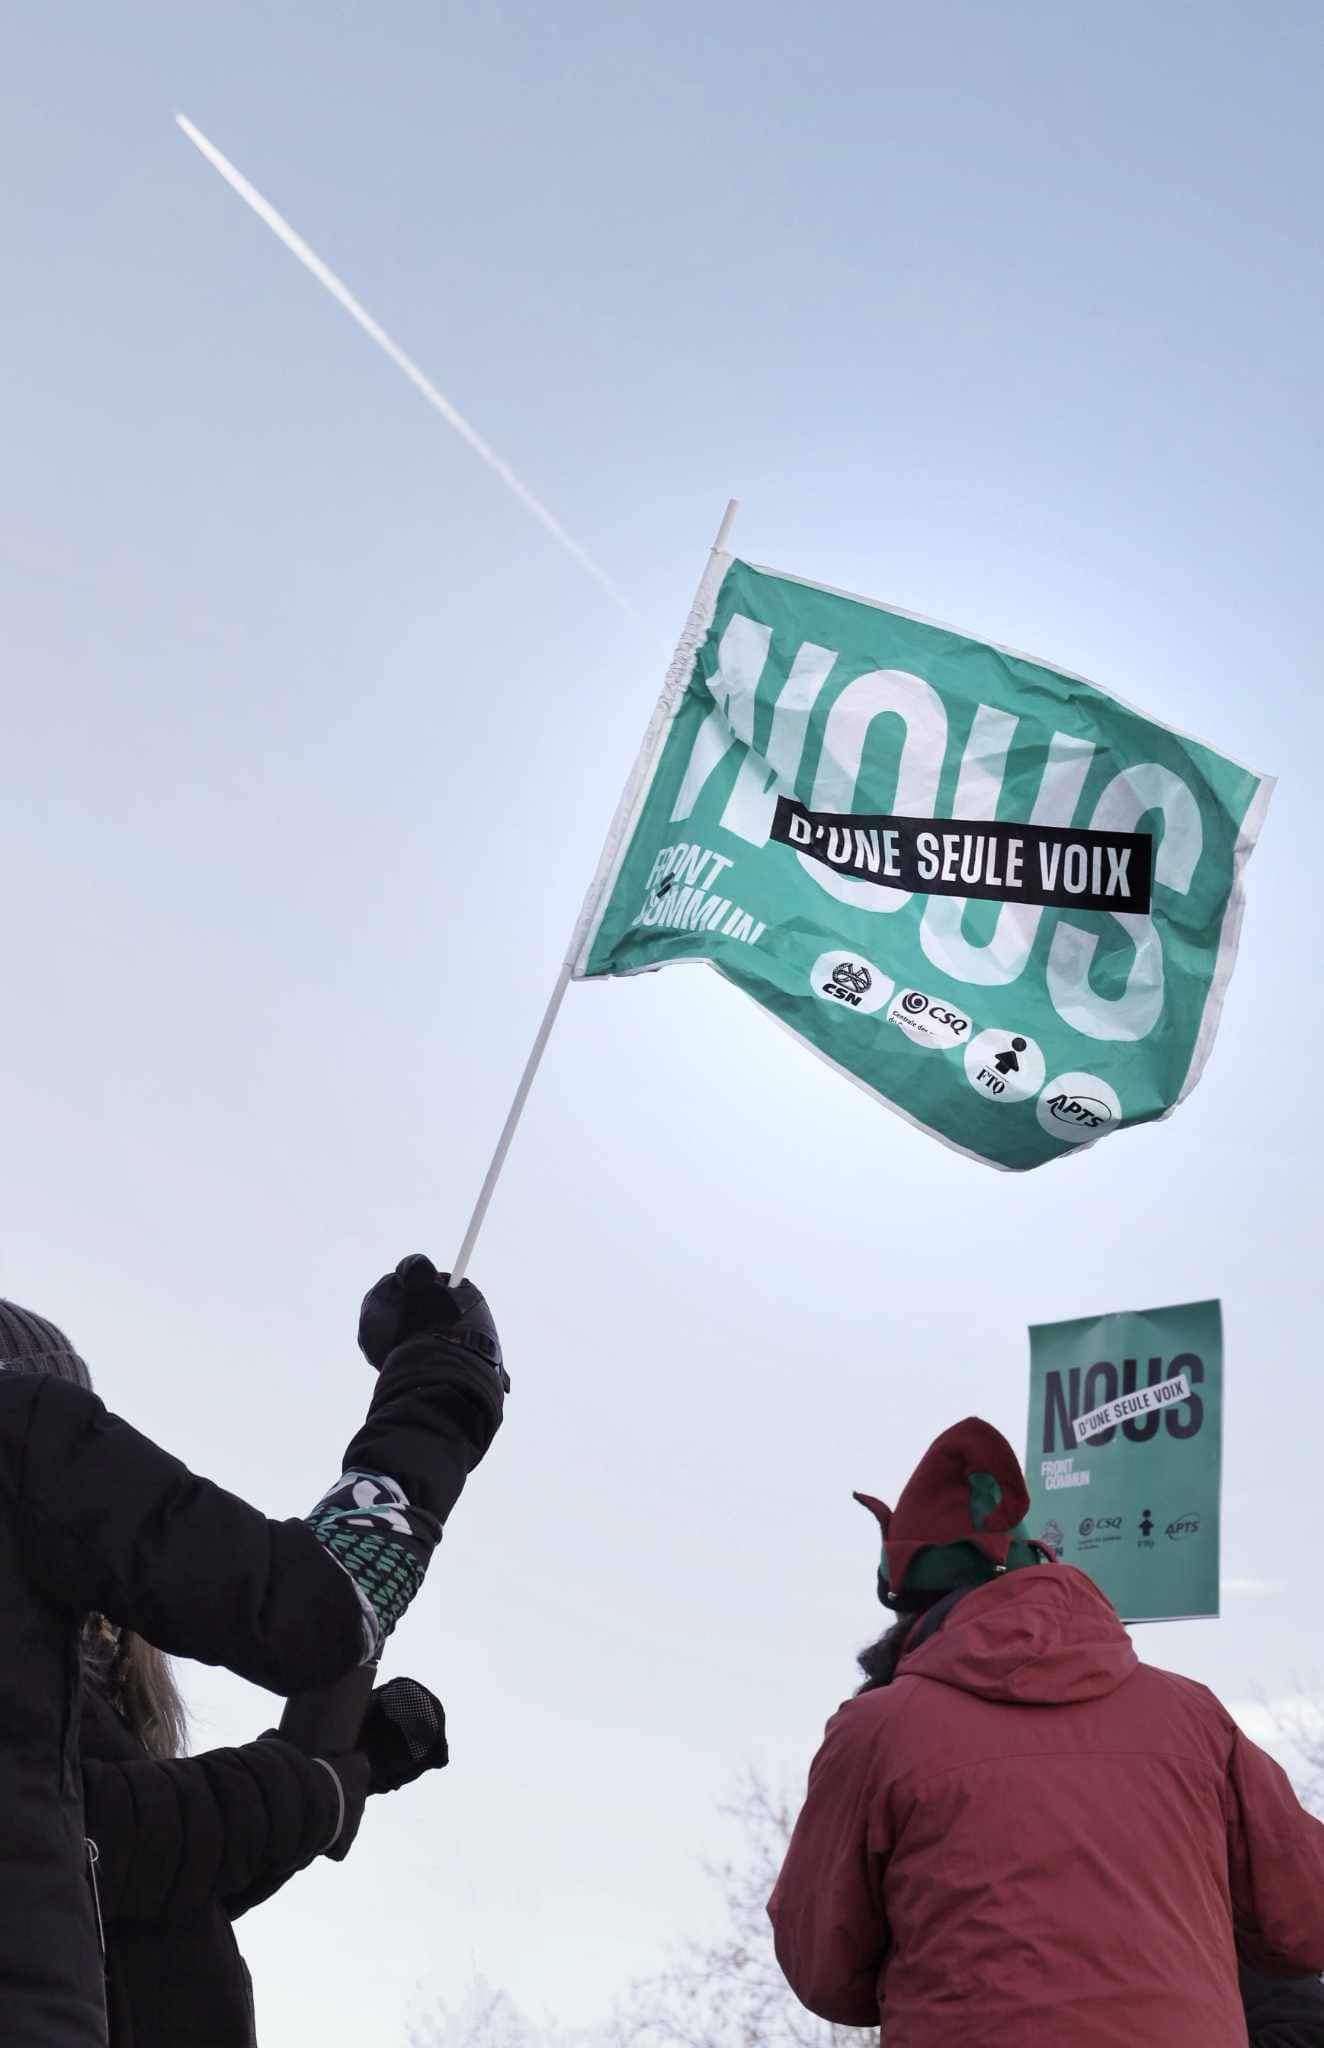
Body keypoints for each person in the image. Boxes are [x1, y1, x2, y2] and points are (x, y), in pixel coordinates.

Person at [0, 1255, 507, 2048]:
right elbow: (329, 1600)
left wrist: (331, 1769)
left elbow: (131, 1880)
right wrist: (444, 1385)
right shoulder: (21, 1440)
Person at [767, 1416, 1324, 2048]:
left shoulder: (877, 1729)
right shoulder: (1194, 1715)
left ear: (908, 1604)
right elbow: (1306, 1921)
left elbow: (824, 1969)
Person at [81, 1614, 449, 2047]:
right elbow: (116, 1834)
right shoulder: (36, 1690)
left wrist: (341, 1760)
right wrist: (317, 1787)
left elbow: (178, 1882)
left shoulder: (93, 1724)